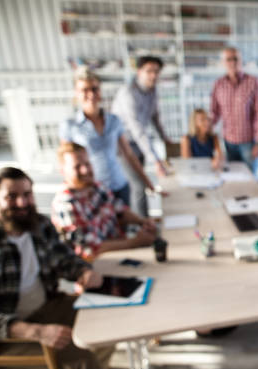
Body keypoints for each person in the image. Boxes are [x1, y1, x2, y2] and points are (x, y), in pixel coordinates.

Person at [0, 167, 130, 369]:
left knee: (107, 318)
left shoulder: (39, 225)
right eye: (11, 196)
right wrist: (37, 332)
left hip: (48, 306)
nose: (22, 202)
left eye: (27, 194)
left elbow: (65, 259)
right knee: (81, 355)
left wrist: (83, 272)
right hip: (5, 337)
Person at [60, 66, 156, 207]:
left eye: (94, 89)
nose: (91, 94)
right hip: (92, 190)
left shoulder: (114, 120)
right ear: (76, 93)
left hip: (119, 185)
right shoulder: (70, 126)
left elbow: (129, 154)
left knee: (125, 226)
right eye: (84, 90)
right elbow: (66, 163)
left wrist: (147, 182)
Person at [51, 142, 157, 261]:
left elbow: (120, 210)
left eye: (87, 163)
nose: (85, 170)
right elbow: (89, 249)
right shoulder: (65, 204)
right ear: (63, 171)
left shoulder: (96, 186)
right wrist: (135, 242)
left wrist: (142, 222)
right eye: (77, 166)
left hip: (121, 251)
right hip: (99, 264)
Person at [112, 55, 171, 217]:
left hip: (139, 142)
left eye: (156, 71)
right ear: (139, 72)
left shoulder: (152, 91)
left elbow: (155, 117)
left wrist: (165, 139)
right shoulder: (128, 93)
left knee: (142, 184)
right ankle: (143, 226)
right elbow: (137, 129)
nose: (153, 75)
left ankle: (144, 221)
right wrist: (156, 160)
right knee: (138, 185)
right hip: (124, 144)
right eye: (149, 71)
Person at [210, 47, 258, 174]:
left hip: (248, 142)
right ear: (223, 62)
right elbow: (214, 112)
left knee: (250, 179)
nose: (233, 62)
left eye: (236, 59)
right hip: (228, 142)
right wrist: (203, 131)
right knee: (233, 177)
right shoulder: (218, 84)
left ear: (241, 61)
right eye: (229, 59)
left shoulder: (253, 82)